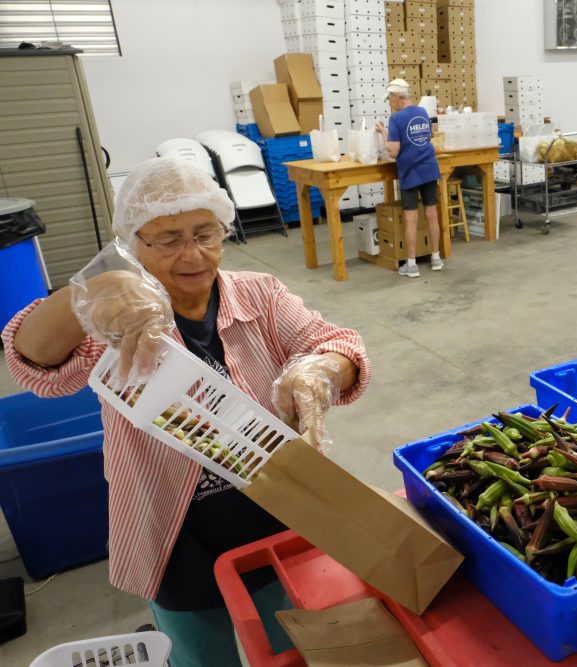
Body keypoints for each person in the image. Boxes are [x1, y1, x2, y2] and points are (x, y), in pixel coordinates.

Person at [2, 158, 372, 666]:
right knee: (199, 655)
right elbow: (34, 363)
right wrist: (84, 295)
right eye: (169, 239)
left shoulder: (259, 295)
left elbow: (334, 343)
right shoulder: (117, 315)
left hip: (276, 507)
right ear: (133, 243)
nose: (193, 254)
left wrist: (323, 370)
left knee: (292, 641)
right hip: (173, 529)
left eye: (206, 233)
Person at [375, 79, 444, 279]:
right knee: (432, 213)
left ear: (396, 97)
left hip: (411, 171)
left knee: (411, 218)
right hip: (430, 167)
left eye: (389, 98)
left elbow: (394, 151)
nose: (389, 102)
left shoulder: (396, 119)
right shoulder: (422, 112)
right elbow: (429, 136)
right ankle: (436, 258)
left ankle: (412, 264)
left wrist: (383, 134)